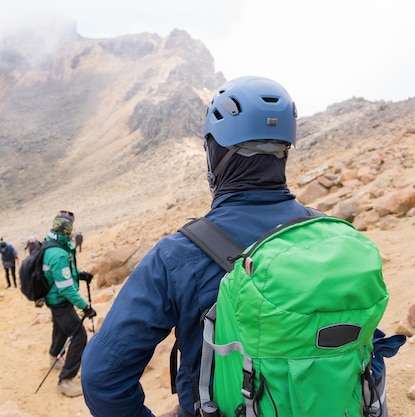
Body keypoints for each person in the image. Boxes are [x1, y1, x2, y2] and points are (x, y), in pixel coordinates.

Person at [80, 76, 315, 417]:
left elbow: (103, 378)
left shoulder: (177, 256)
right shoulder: (330, 236)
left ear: (213, 153)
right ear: (284, 151)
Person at [43, 210, 97, 397]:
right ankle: (65, 381)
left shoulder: (55, 244)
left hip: (55, 299)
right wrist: (85, 307)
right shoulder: (57, 253)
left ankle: (54, 357)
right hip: (60, 300)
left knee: (60, 327)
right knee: (79, 336)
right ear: (67, 230)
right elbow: (65, 288)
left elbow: (63, 272)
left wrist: (80, 275)